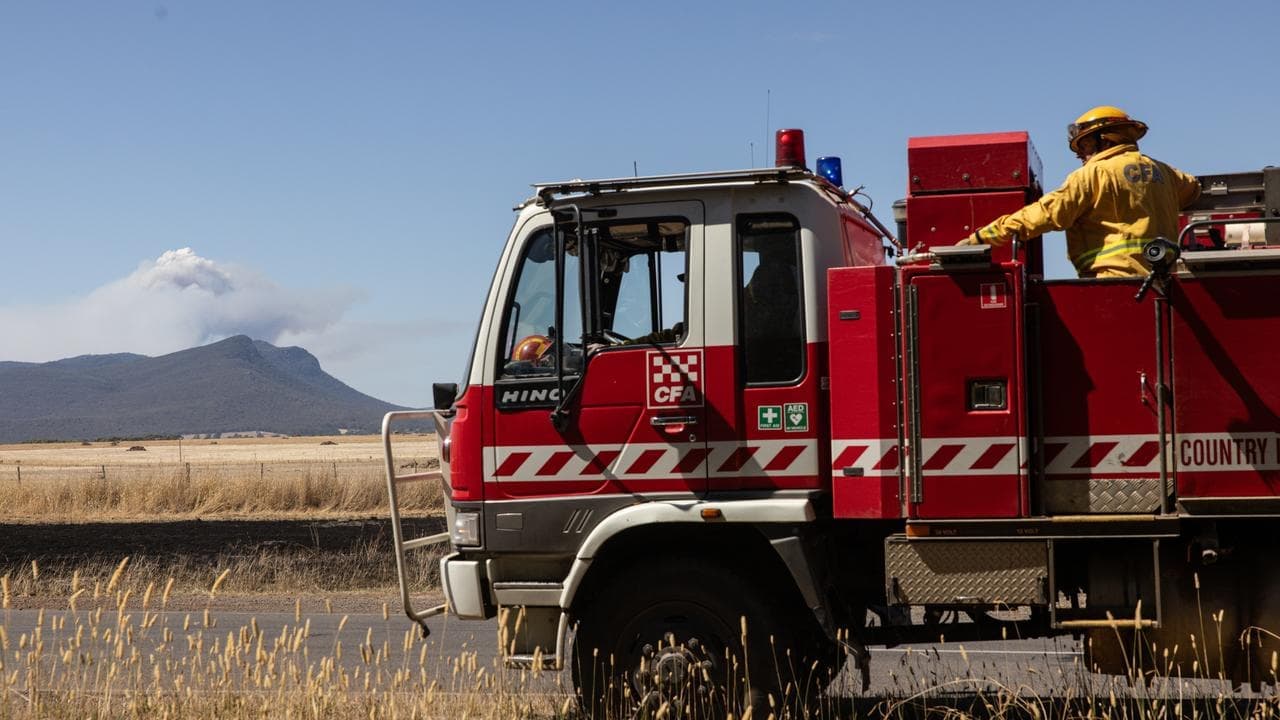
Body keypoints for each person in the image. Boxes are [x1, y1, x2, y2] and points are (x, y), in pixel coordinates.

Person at [958, 106, 1201, 278]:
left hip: (1114, 282)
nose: (1079, 155)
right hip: (1166, 283)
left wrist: (979, 239)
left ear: (1106, 139)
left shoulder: (1092, 175)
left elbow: (1046, 214)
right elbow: (1194, 189)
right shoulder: (1166, 172)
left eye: (1084, 145)